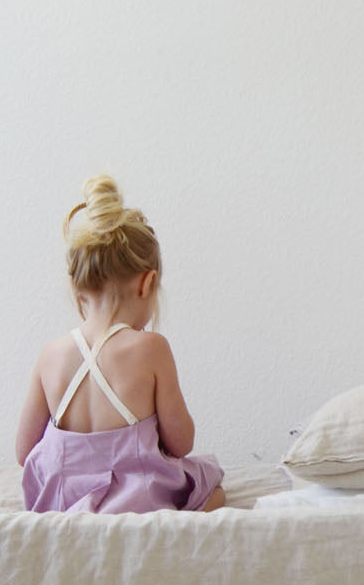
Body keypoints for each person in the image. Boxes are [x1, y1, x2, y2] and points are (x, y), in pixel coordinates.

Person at [17, 175, 225, 514]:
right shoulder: (152, 348)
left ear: (77, 287)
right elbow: (181, 443)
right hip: (139, 501)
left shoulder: (51, 354)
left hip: (62, 502)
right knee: (212, 487)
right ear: (148, 283)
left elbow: (24, 451)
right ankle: (178, 526)